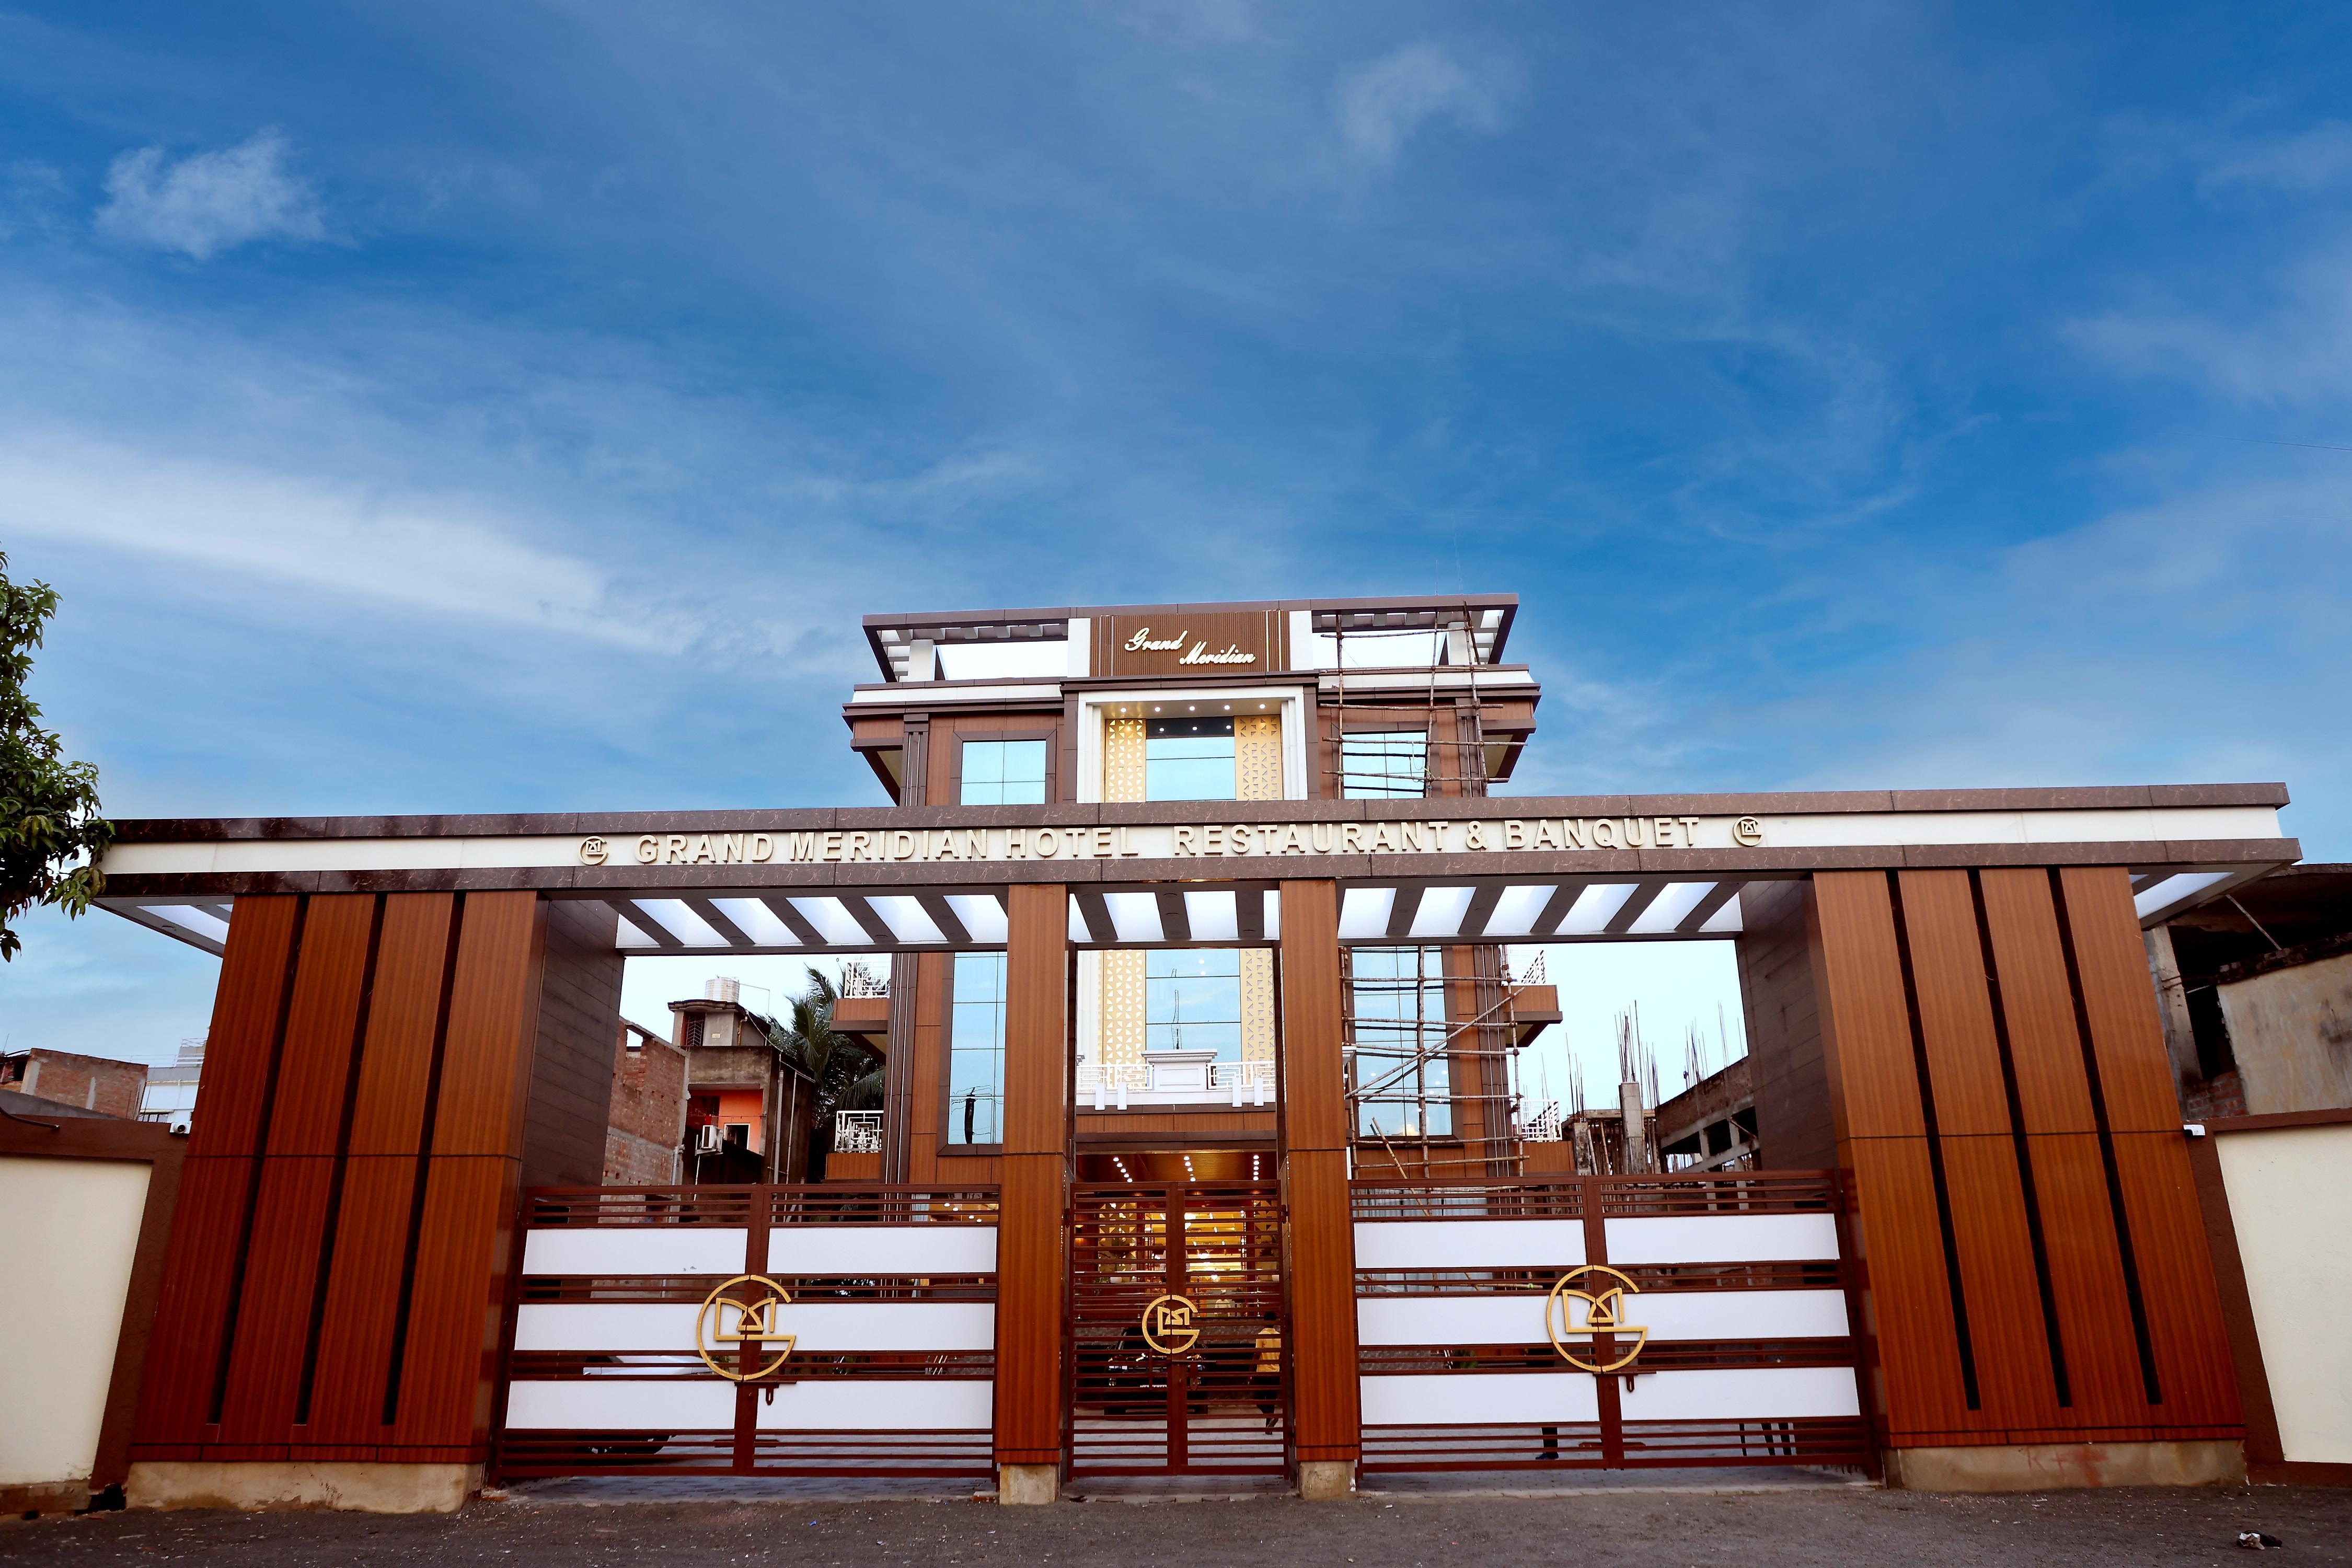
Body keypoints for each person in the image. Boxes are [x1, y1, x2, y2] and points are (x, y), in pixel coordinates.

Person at [1253, 1313, 1282, 1432]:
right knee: (1271, 1400)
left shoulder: (1262, 1336)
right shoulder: (1279, 1337)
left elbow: (1257, 1354)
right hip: (1275, 1372)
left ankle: (1270, 1417)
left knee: (1258, 1398)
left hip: (1263, 1372)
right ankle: (1269, 1428)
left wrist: (1250, 1371)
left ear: (1264, 1322)